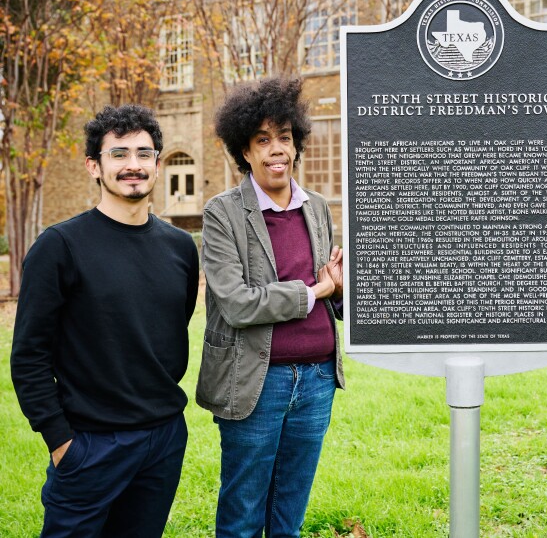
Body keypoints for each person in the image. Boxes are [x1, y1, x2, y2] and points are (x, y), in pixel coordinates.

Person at [10, 105, 200, 537]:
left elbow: (172, 326)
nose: (133, 165)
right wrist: (61, 442)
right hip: (90, 443)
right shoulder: (59, 246)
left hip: (164, 438)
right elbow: (29, 355)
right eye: (118, 154)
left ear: (157, 162)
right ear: (94, 166)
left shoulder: (180, 247)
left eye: (144, 153)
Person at [196, 76, 344, 538]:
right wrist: (315, 292)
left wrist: (336, 289)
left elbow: (331, 287)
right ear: (245, 151)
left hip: (318, 380)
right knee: (241, 519)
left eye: (284, 137)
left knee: (289, 519)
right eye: (263, 140)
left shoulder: (316, 207)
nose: (275, 149)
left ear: (296, 144)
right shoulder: (222, 213)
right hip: (255, 384)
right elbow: (238, 304)